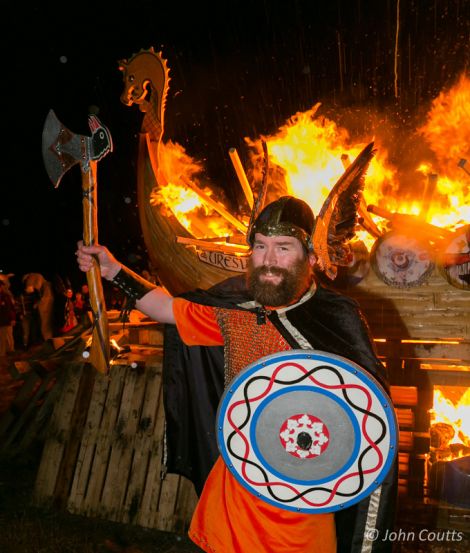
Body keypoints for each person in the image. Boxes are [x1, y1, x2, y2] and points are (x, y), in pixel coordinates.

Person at [77, 196, 397, 553]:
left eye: (283, 247)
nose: (269, 260)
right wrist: (113, 270)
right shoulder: (237, 312)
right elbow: (166, 308)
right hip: (236, 489)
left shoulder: (337, 319)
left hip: (304, 503)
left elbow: (370, 414)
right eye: (260, 246)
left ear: (311, 255)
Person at [0, 279, 16, 356]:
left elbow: (11, 308)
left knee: (5, 337)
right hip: (4, 320)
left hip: (4, 320)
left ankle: (4, 353)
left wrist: (12, 318)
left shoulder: (6, 296)